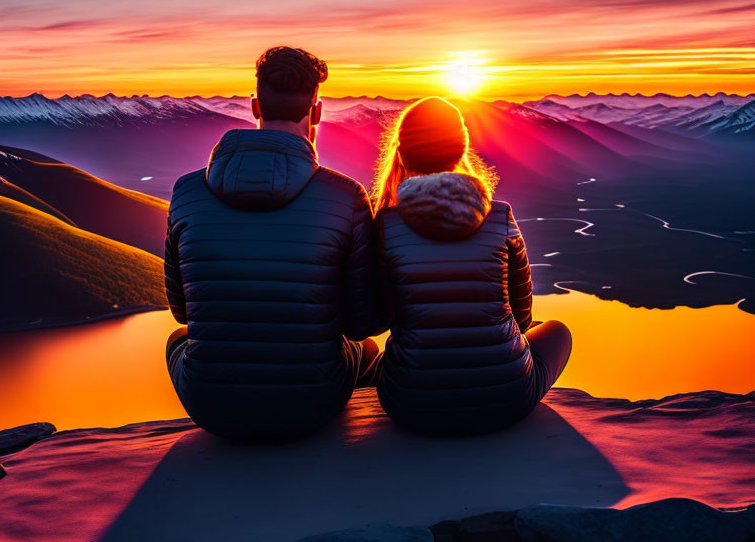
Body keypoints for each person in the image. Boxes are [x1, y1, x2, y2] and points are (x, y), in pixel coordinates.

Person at [163, 46, 382, 440]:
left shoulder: (186, 191)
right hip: (313, 405)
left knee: (179, 340)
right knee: (365, 349)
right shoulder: (346, 195)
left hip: (211, 407)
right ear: (316, 114)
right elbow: (363, 322)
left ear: (253, 107)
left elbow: (182, 312)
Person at [372, 96, 571, 435]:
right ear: (461, 150)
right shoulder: (499, 216)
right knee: (557, 332)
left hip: (411, 403)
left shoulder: (386, 226)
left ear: (402, 154)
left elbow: (371, 319)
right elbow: (522, 317)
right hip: (507, 399)